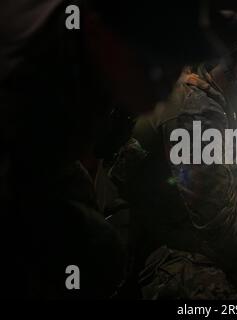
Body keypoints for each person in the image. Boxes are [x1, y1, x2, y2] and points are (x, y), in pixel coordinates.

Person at [0, 0, 212, 298]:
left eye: (176, 65)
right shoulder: (32, 62)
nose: (165, 88)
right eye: (156, 63)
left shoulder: (92, 70)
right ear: (100, 29)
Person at [129, 30, 237, 299]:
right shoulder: (196, 113)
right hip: (151, 250)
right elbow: (217, 223)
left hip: (187, 238)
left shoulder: (232, 115)